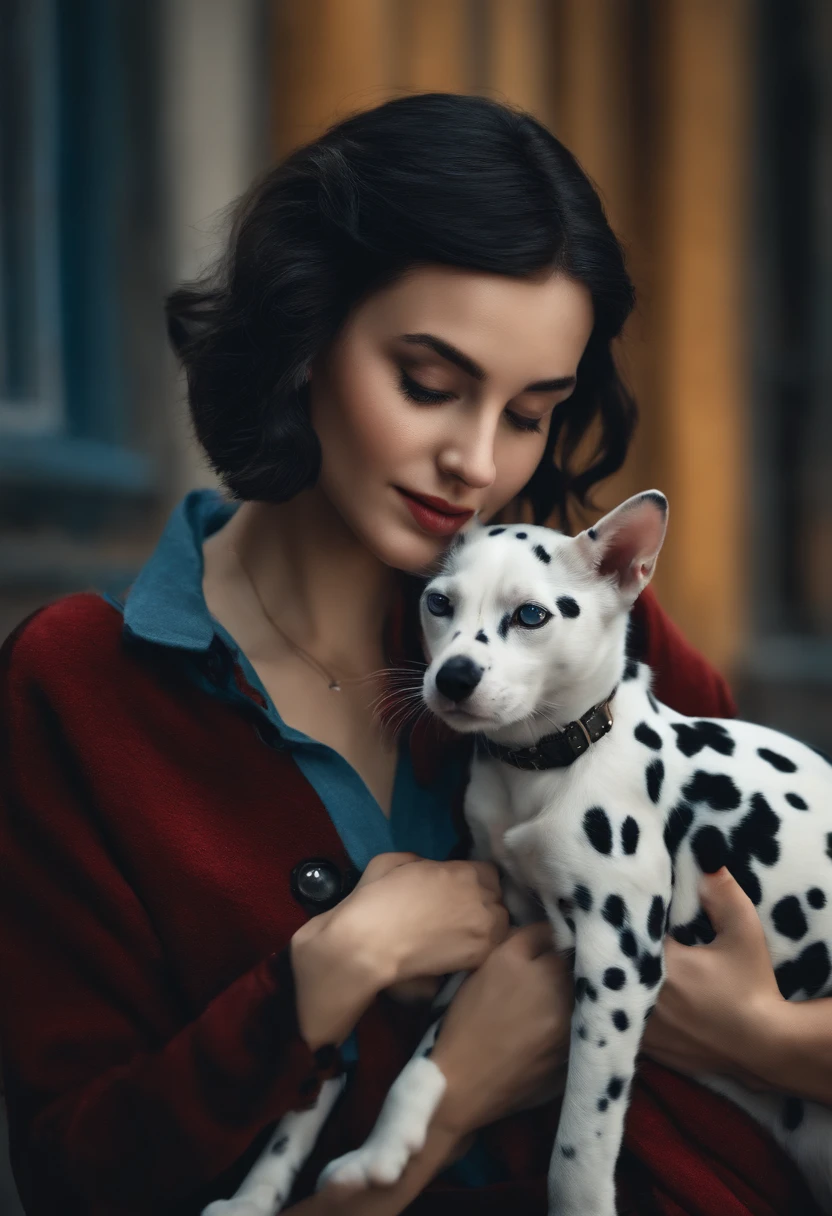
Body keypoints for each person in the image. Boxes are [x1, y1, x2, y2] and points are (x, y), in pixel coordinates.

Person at [0, 93, 827, 1216]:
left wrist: (756, 1035)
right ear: (304, 332)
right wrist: (326, 981)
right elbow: (78, 1174)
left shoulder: (588, 638)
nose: (477, 461)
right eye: (429, 385)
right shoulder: (83, 688)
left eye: (532, 411)